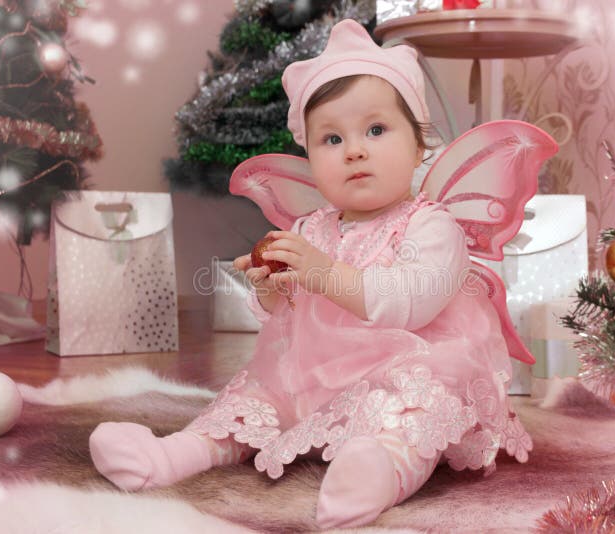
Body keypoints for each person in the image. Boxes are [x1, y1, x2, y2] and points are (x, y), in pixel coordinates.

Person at [89, 19, 534, 529]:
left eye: (376, 129)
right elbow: (289, 312)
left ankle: (379, 469)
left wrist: (324, 272)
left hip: (405, 365)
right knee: (250, 401)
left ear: (418, 147)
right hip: (311, 374)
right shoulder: (311, 226)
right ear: (310, 158)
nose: (354, 149)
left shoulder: (433, 226)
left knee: (417, 409)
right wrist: (271, 290)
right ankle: (170, 456)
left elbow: (411, 300)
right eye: (331, 138)